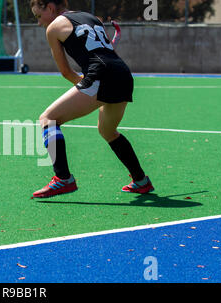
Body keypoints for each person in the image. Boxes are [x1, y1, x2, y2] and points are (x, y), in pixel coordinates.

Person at [30, 0, 154, 199]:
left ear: (51, 8)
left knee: (48, 119)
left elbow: (65, 72)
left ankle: (63, 179)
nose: (39, 23)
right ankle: (141, 180)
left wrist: (83, 83)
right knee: (107, 131)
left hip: (101, 74)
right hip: (122, 74)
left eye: (38, 16)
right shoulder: (91, 17)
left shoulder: (53, 28)